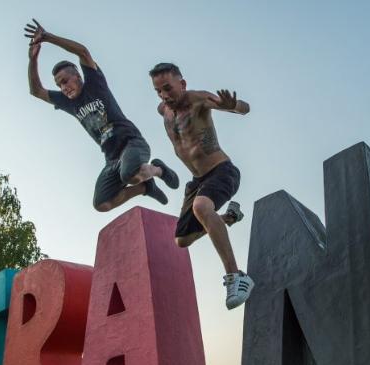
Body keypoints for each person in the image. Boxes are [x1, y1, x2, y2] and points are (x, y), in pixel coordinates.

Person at [24, 19, 178, 211]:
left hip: (132, 143)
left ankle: (158, 169)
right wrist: (33, 60)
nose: (64, 88)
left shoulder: (94, 83)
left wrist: (47, 37)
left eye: (65, 81)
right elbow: (36, 91)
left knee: (129, 174)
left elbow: (83, 52)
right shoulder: (68, 103)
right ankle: (144, 187)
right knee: (102, 204)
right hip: (112, 159)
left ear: (78, 76)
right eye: (59, 85)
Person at [149, 62, 253, 309]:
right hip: (197, 181)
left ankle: (237, 276)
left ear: (182, 84)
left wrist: (232, 106)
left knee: (201, 206)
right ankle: (227, 217)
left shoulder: (198, 99)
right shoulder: (162, 110)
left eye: (168, 88)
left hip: (221, 171)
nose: (165, 95)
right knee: (182, 240)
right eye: (158, 91)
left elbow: (245, 108)